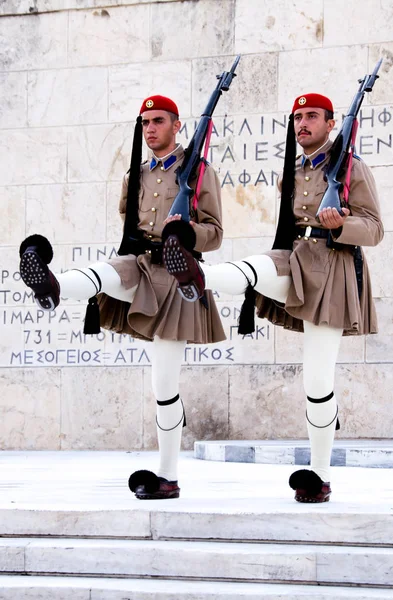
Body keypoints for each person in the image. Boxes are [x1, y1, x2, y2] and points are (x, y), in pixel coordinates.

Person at [163, 93, 383, 503]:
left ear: (331, 123)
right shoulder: (292, 172)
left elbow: (374, 229)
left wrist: (342, 224)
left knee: (317, 382)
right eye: (298, 117)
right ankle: (199, 275)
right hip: (293, 258)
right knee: (256, 267)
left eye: (312, 117)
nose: (303, 124)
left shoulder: (353, 169)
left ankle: (320, 475)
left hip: (331, 271)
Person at [18, 95, 225, 500]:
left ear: (176, 125)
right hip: (138, 261)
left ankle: (168, 475)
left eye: (159, 121)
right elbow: (128, 225)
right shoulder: (136, 175)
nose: (150, 129)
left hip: (177, 274)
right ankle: (52, 285)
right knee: (102, 274)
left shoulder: (199, 172)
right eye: (145, 122)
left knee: (163, 384)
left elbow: (215, 233)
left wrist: (186, 231)